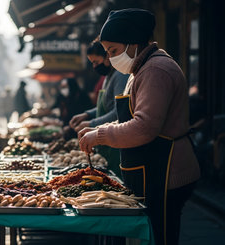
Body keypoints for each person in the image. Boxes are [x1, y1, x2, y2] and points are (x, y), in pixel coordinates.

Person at [77, 9, 200, 245]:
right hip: (153, 172)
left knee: (161, 236)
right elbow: (129, 119)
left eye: (113, 51)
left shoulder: (155, 70)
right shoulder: (141, 68)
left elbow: (144, 127)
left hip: (167, 174)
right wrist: (96, 131)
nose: (111, 58)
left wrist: (100, 134)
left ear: (132, 43)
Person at [69, 40, 129, 174]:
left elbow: (118, 112)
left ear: (107, 57)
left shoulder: (120, 76)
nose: (95, 66)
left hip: (115, 142)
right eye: (92, 63)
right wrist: (87, 114)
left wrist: (91, 123)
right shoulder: (108, 76)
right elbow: (105, 106)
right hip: (106, 141)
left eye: (96, 62)